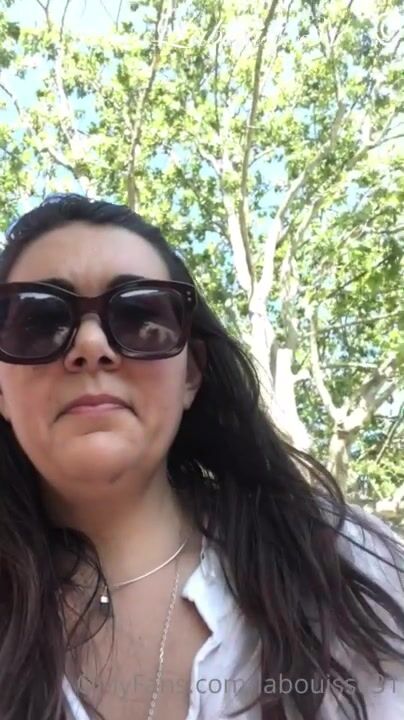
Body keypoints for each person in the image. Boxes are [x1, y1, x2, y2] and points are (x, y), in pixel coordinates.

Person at [0, 193, 402, 720]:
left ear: (190, 374)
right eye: (38, 320)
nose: (91, 344)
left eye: (141, 316)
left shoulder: (346, 564)